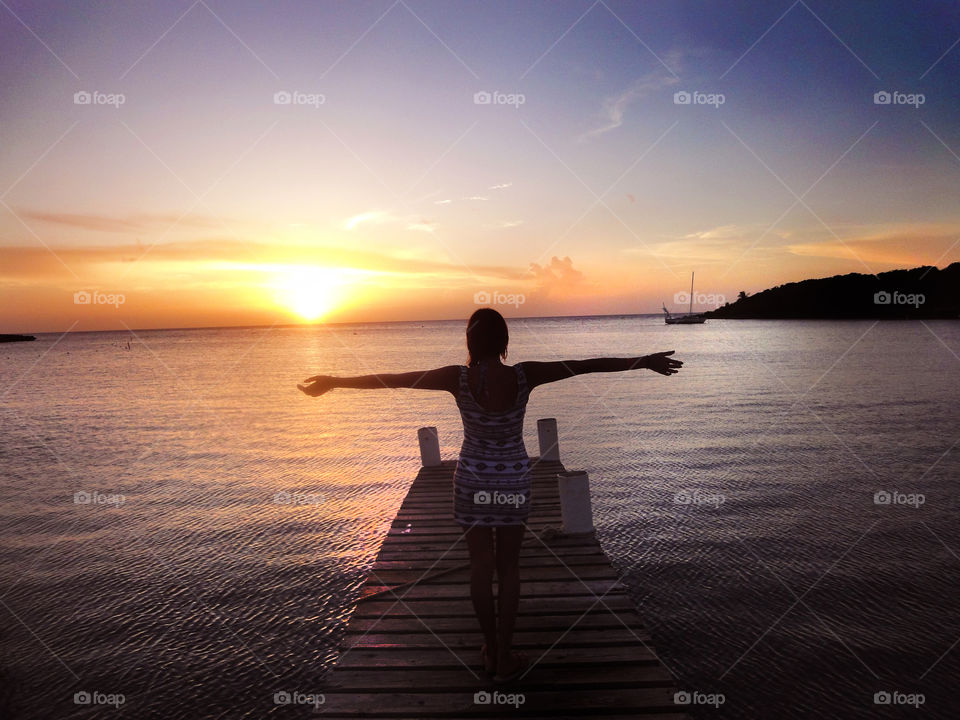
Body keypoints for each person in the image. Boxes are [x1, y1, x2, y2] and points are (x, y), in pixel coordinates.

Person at [297, 308, 682, 682]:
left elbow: (395, 378)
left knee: (481, 567)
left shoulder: (456, 378)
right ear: (504, 341)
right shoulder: (524, 375)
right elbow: (583, 364)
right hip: (513, 480)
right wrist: (642, 361)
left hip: (471, 481)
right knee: (509, 568)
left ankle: (491, 648)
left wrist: (334, 380)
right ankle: (503, 656)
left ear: (470, 340)